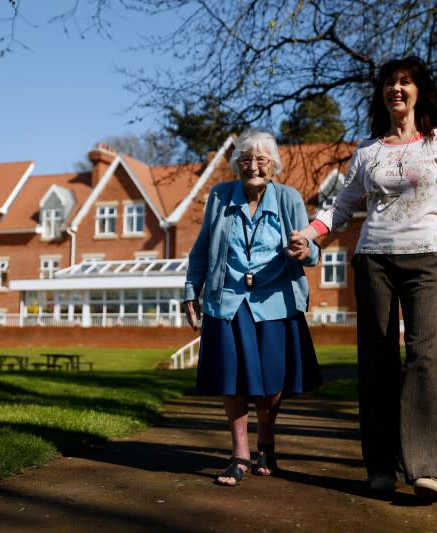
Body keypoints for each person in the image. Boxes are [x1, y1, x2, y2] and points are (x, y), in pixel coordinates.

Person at [289, 56, 437, 501]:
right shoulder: (367, 152)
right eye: (390, 83)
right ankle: (379, 466)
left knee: (423, 357)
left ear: (418, 90)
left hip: (426, 258)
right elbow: (340, 208)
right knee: (376, 361)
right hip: (372, 258)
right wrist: (308, 234)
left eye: (405, 82)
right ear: (382, 95)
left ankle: (428, 467)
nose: (397, 89)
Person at [184, 129, 323, 486]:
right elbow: (201, 250)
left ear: (273, 164)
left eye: (261, 160)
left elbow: (311, 249)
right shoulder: (219, 197)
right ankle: (239, 455)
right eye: (246, 159)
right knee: (233, 379)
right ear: (236, 164)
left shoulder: (288, 198)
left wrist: (306, 251)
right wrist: (190, 291)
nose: (253, 166)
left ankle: (267, 441)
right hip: (226, 300)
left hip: (275, 300)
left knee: (272, 381)